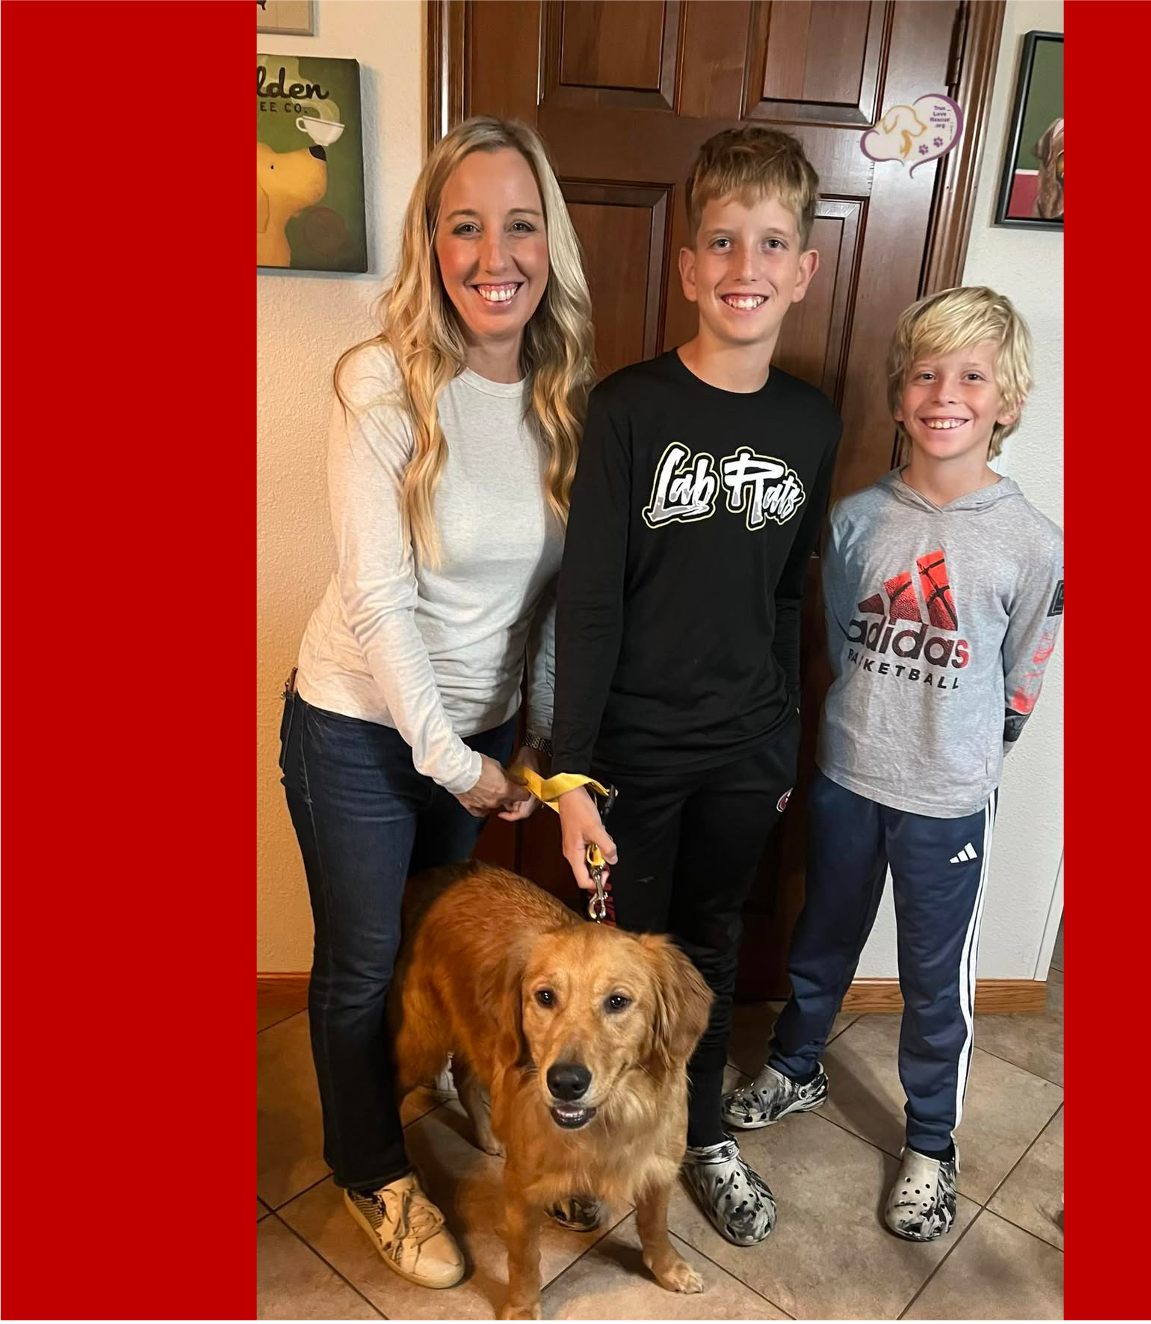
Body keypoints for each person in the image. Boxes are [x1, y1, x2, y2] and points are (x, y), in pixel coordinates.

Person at [278, 115, 595, 1286]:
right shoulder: (380, 380)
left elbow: (551, 604)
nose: (493, 256)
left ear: (549, 245)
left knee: (437, 936)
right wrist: (457, 766)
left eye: (519, 225)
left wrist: (538, 752)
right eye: (464, 226)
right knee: (363, 963)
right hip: (361, 728)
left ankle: (443, 1072)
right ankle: (371, 1169)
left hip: (482, 735)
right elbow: (377, 600)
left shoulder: (563, 394)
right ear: (430, 242)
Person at [721, 285, 1064, 1242]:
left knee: (934, 976)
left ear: (1007, 401)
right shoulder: (855, 519)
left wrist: (972, 755)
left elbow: (1025, 669)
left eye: (972, 377)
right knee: (822, 936)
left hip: (948, 797)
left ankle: (931, 1142)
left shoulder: (1034, 543)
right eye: (925, 374)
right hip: (846, 775)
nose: (945, 394)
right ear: (899, 395)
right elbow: (835, 635)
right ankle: (796, 1064)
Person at [549, 126, 841, 1246]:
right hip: (631, 754)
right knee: (620, 965)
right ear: (685, 265)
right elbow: (589, 602)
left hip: (743, 751)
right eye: (721, 241)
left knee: (709, 952)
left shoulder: (810, 421)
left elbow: (786, 594)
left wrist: (780, 741)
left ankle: (702, 1134)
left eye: (769, 244)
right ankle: (605, 1147)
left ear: (803, 269)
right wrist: (572, 776)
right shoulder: (627, 409)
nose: (743, 267)